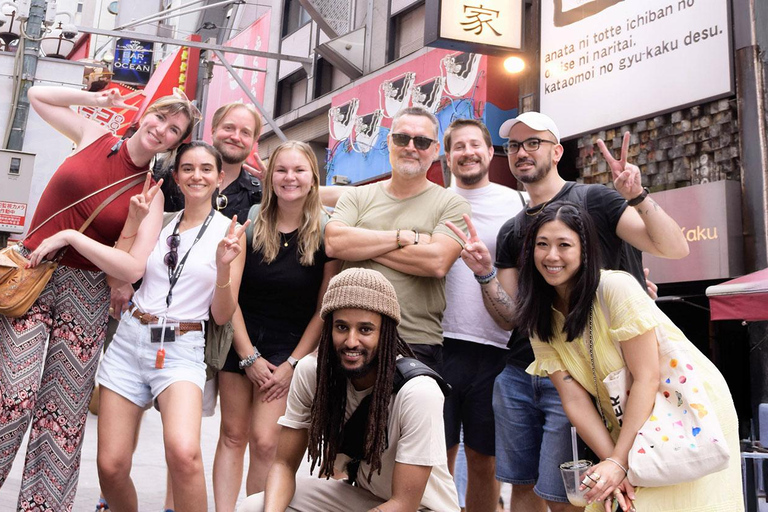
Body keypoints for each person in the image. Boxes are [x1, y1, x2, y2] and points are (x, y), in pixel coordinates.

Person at [447, 111, 689, 512]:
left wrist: (637, 196)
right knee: (523, 488)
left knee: (571, 496)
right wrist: (485, 274)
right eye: (514, 145)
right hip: (527, 367)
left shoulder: (595, 200)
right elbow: (513, 318)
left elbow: (674, 248)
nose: (522, 152)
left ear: (557, 151)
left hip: (594, 372)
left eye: (533, 142)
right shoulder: (512, 229)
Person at [0, 86, 197, 511]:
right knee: (12, 398)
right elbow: (37, 95)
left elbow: (132, 268)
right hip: (32, 273)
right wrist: (99, 103)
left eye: (174, 130)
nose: (161, 129)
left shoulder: (151, 194)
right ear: (145, 114)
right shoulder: (94, 135)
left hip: (86, 293)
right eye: (160, 117)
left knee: (62, 415)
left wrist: (72, 237)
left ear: (175, 144)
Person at [517, 201, 743, 512]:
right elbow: (574, 398)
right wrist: (614, 463)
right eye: (542, 244)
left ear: (585, 250)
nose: (551, 255)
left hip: (684, 409)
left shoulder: (615, 287)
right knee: (619, 499)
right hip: (630, 421)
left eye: (564, 245)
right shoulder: (538, 315)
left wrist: (619, 461)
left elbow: (647, 377)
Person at [77, 141, 246, 512]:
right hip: (130, 339)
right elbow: (116, 277)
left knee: (184, 454)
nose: (197, 176)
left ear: (220, 177)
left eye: (206, 169)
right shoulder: (159, 221)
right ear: (177, 177)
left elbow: (222, 316)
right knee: (111, 465)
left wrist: (222, 268)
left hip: (182, 347)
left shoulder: (230, 233)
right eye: (188, 168)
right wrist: (134, 221)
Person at [237, 267, 460, 512]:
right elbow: (284, 465)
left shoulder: (418, 392)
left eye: (365, 329)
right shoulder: (313, 373)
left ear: (384, 333)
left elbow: (404, 504)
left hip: (419, 508)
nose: (351, 342)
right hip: (366, 497)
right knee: (254, 507)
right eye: (342, 327)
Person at [213, 140, 340, 510]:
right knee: (232, 435)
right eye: (281, 170)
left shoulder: (326, 232)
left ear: (313, 178)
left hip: (291, 347)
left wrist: (293, 364)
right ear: (270, 178)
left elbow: (323, 310)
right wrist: (248, 356)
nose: (290, 177)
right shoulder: (251, 223)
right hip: (242, 338)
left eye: (299, 170)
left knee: (267, 442)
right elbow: (231, 296)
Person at [325, 106, 471, 373]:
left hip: (414, 340)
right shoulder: (356, 196)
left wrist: (360, 246)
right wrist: (404, 238)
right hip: (348, 338)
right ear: (390, 142)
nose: (411, 147)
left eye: (422, 141)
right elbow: (334, 243)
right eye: (402, 138)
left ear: (435, 149)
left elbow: (437, 262)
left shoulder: (452, 203)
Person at [441, 118, 525, 511]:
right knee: (435, 460)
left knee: (484, 461)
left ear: (491, 153)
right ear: (447, 158)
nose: (468, 152)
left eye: (475, 144)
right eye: (458, 146)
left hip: (497, 348)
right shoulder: (434, 201)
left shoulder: (518, 203)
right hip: (438, 344)